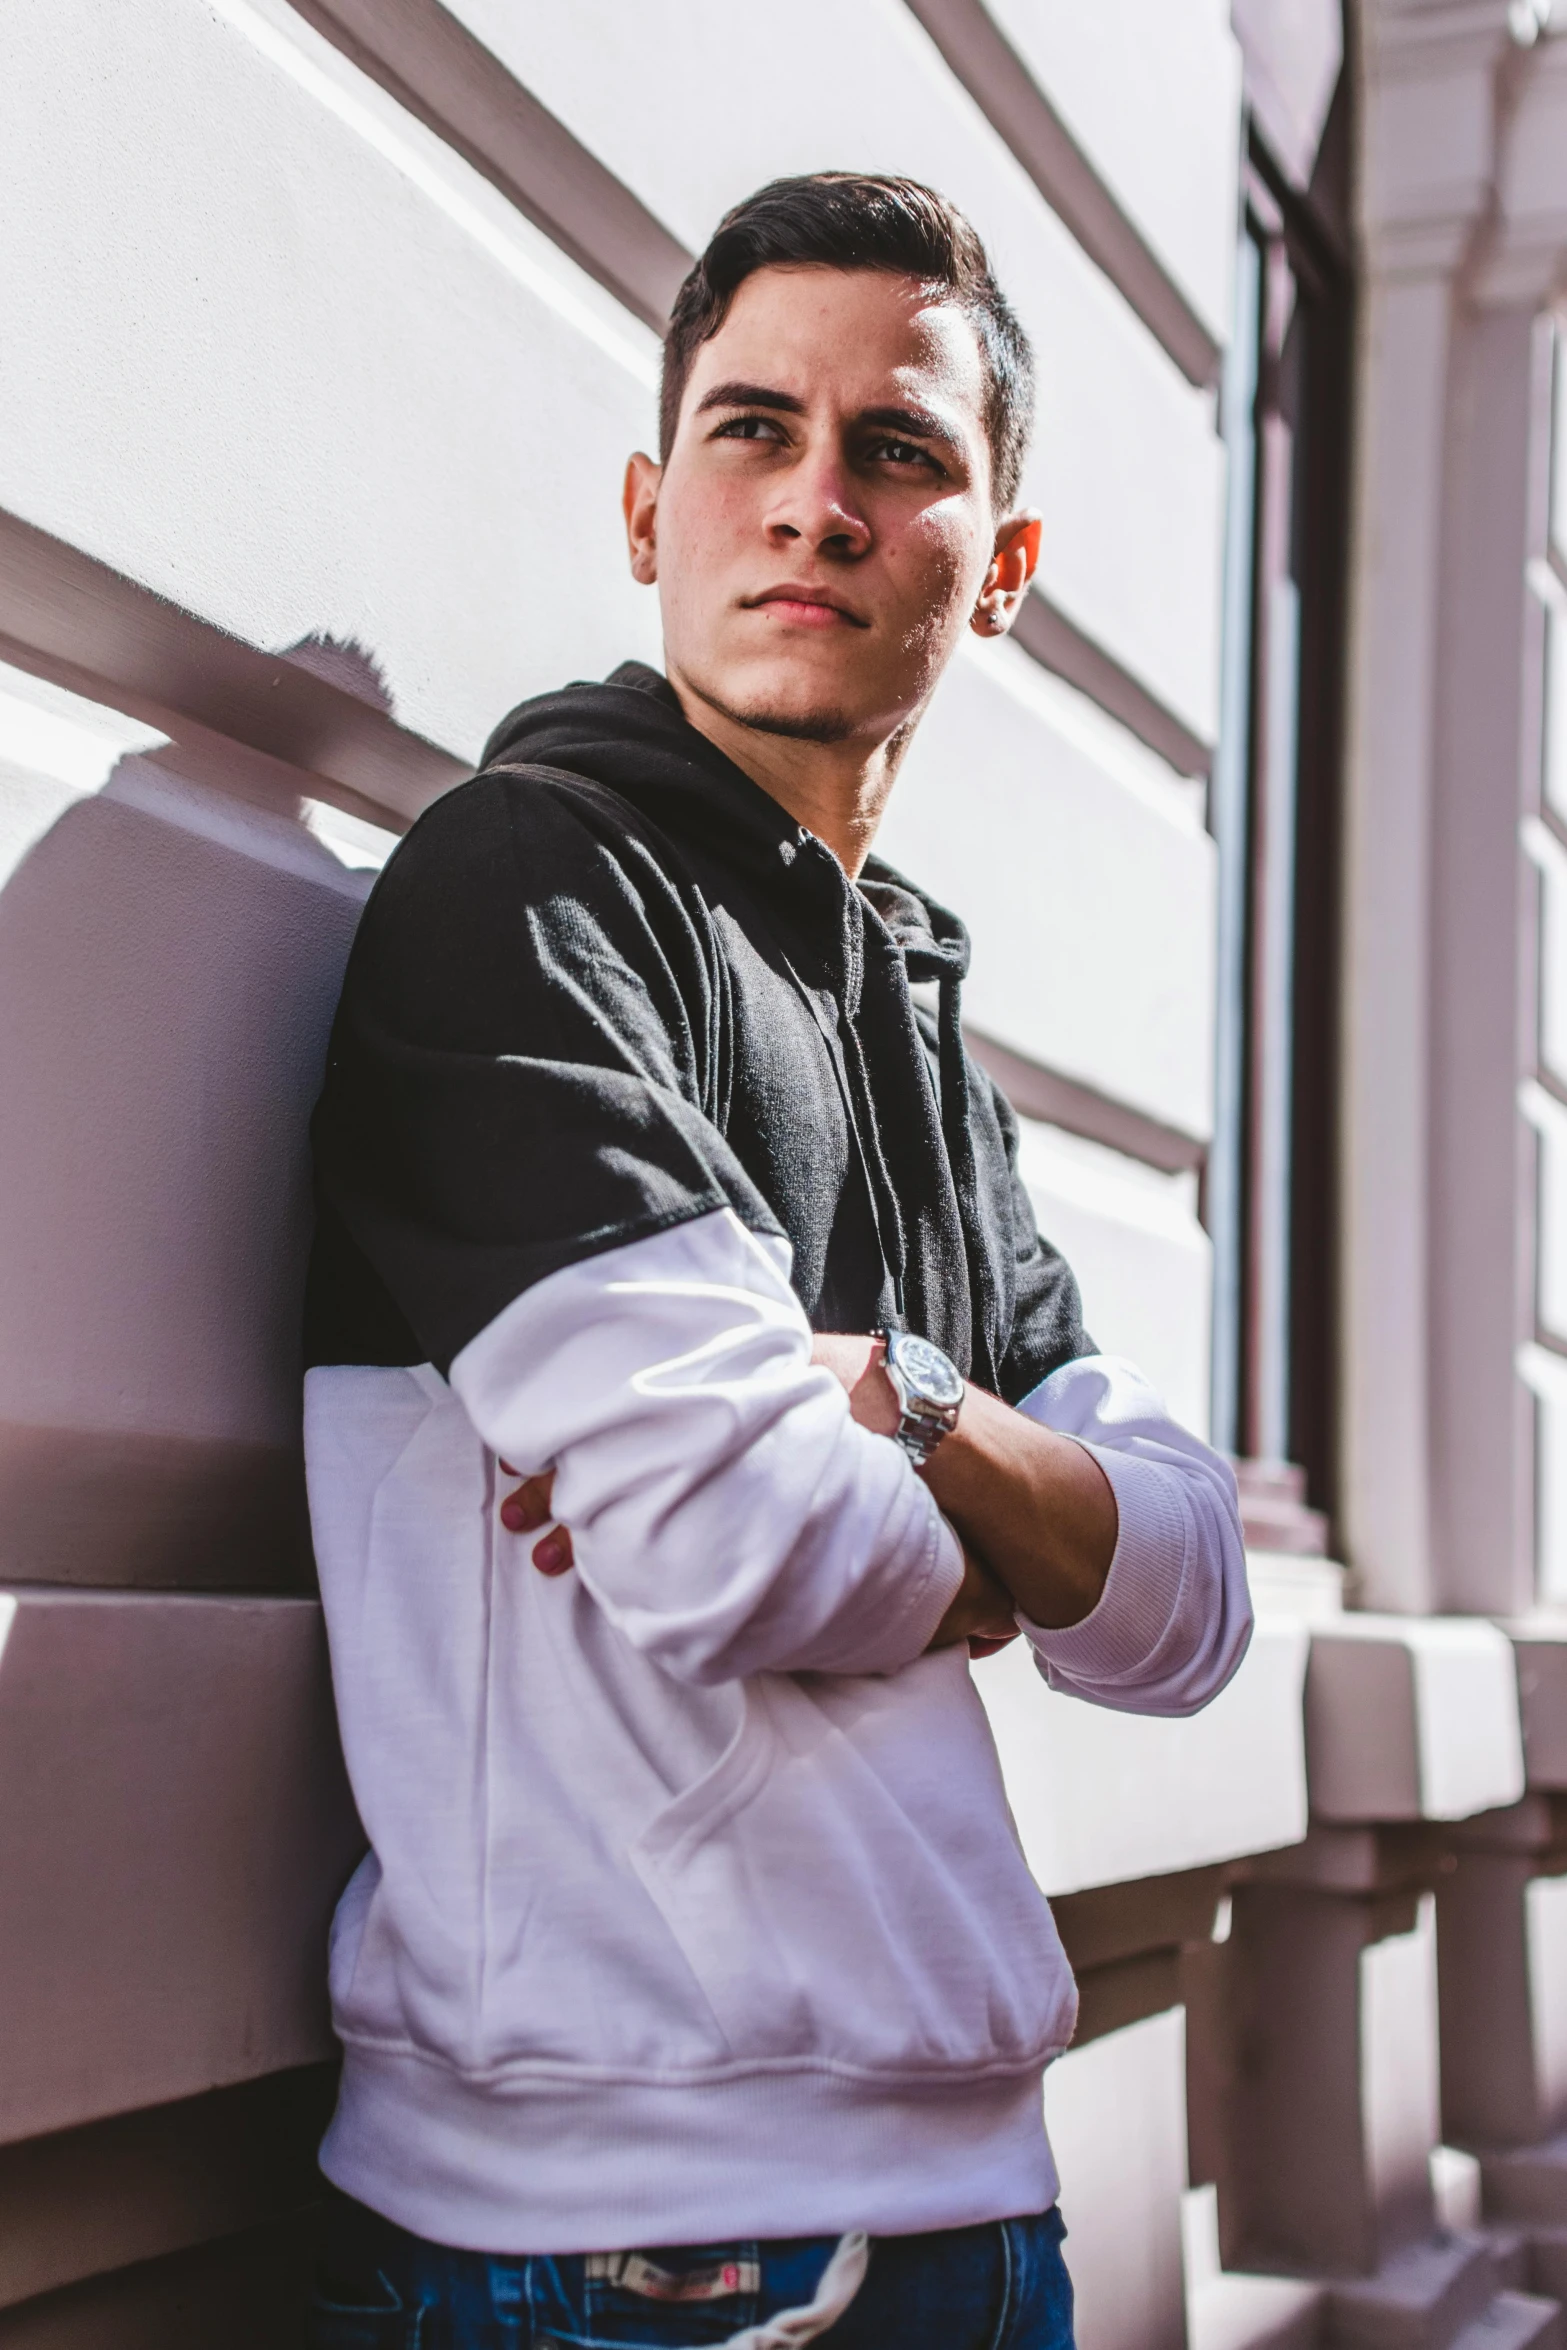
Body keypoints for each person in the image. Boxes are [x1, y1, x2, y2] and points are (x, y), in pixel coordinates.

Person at [301, 171, 1251, 2349]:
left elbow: (1186, 1600)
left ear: (999, 567)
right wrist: (1014, 1529)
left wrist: (896, 1396)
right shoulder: (525, 893)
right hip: (625, 2252)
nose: (814, 499)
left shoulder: (922, 1025)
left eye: (896, 451)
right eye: (754, 430)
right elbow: (739, 1538)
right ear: (650, 506)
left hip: (969, 2199)